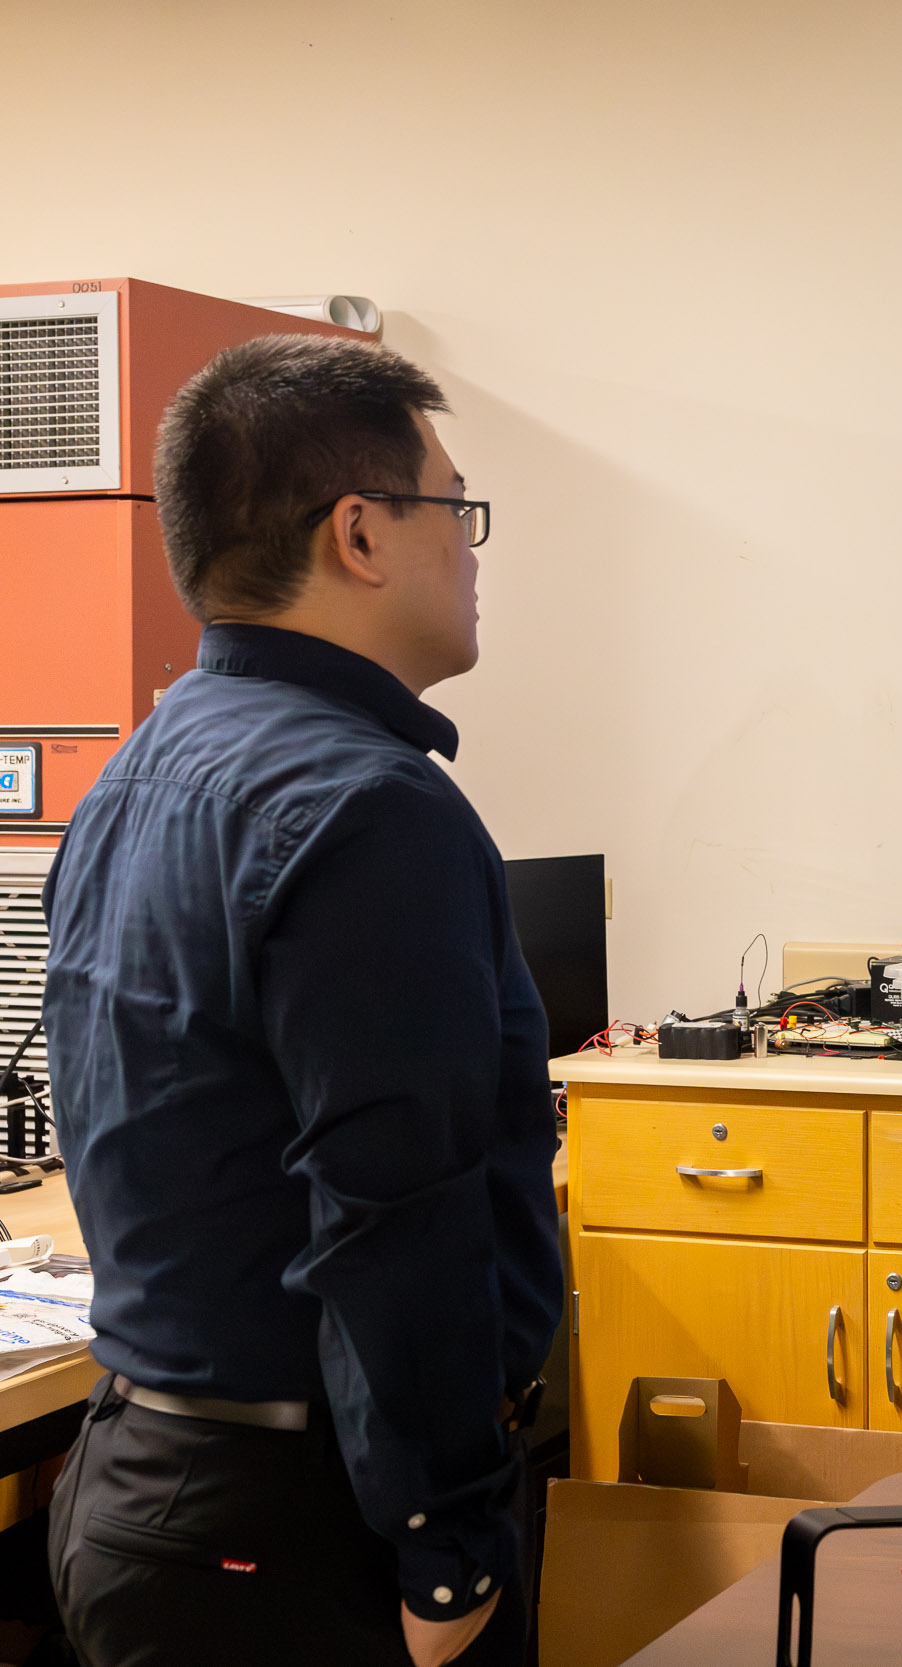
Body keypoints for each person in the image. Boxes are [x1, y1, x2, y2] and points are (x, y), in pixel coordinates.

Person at [40, 336, 560, 1666]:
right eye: (456, 510)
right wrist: (450, 1549)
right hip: (309, 1531)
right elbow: (396, 1215)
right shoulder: (371, 807)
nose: (474, 554)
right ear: (361, 533)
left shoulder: (135, 771)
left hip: (142, 1488)